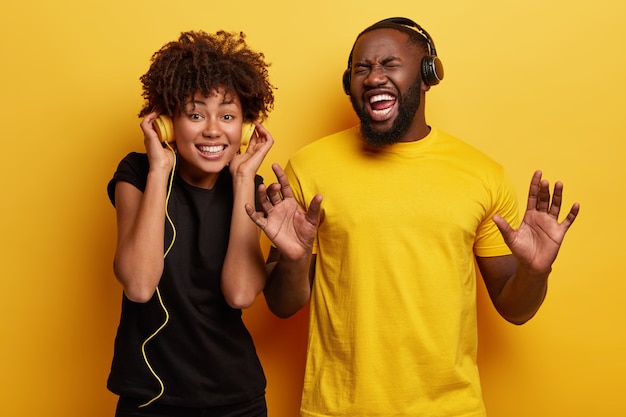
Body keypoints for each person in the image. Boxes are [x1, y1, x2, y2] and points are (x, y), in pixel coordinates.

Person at [246, 17, 580, 417]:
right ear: (348, 82)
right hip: (338, 409)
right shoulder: (307, 168)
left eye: (390, 64)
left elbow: (516, 309)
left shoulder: (482, 174)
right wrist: (296, 258)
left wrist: (535, 271)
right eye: (362, 69)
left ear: (427, 76)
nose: (374, 78)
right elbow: (282, 306)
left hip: (451, 409)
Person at [106, 30, 275, 417]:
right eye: (196, 114)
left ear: (246, 129)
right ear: (166, 123)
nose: (214, 130)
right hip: (150, 399)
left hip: (238, 400)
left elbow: (241, 294)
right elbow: (139, 284)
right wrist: (159, 168)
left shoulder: (248, 186)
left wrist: (246, 178)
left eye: (228, 116)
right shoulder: (137, 172)